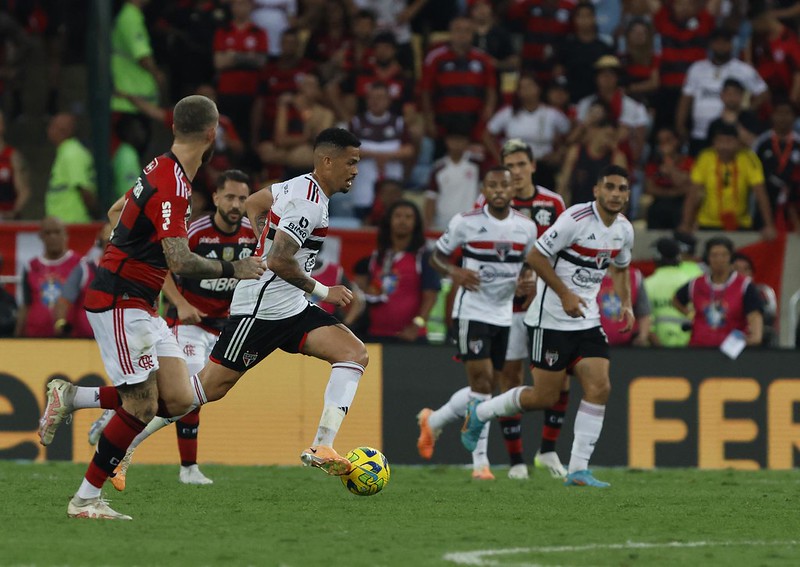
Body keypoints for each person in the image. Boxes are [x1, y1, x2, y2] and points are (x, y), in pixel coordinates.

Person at [36, 95, 265, 520]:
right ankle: (85, 500)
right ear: (212, 134)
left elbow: (115, 210)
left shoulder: (160, 167)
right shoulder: (174, 185)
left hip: (141, 300)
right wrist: (236, 267)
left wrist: (126, 238)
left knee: (178, 400)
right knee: (141, 405)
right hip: (121, 298)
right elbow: (179, 260)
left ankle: (71, 396)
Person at [103, 128, 368, 484]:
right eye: (351, 162)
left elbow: (254, 203)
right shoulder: (308, 202)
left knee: (354, 353)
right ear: (327, 161)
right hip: (260, 310)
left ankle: (322, 446)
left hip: (290, 306)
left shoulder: (299, 185)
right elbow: (278, 261)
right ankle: (122, 449)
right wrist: (324, 291)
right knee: (202, 392)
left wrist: (261, 242)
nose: (355, 170)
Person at [460, 164, 635, 489]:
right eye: (609, 187)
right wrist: (565, 293)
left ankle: (578, 470)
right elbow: (537, 256)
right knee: (544, 396)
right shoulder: (575, 219)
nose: (615, 194)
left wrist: (625, 303)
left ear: (627, 194)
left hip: (587, 320)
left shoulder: (624, 229)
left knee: (601, 387)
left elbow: (621, 267)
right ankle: (480, 413)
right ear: (597, 190)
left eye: (622, 189)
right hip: (549, 319)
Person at [94, 170, 259, 488]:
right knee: (190, 388)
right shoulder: (196, 231)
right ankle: (141, 451)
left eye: (242, 198)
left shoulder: (251, 235)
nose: (236, 204)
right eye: (230, 197)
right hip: (188, 324)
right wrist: (181, 303)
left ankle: (121, 411)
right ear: (215, 198)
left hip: (225, 327)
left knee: (196, 395)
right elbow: (164, 266)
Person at [416, 166, 539, 480]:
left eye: (504, 185)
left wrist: (528, 280)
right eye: (492, 185)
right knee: (483, 382)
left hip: (503, 313)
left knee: (483, 388)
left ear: (514, 189)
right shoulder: (465, 223)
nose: (498, 191)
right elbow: (435, 257)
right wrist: (455, 273)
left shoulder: (526, 228)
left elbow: (530, 265)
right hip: (471, 311)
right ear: (483, 189)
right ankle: (480, 464)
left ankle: (435, 421)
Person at [354, 200, 440, 342]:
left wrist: (416, 325)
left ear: (416, 223)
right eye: (398, 216)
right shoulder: (376, 257)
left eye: (408, 217)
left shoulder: (423, 257)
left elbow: (430, 297)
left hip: (411, 337)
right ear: (389, 221)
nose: (403, 221)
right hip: (375, 334)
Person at [676, 27, 768, 156]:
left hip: (730, 136)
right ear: (711, 44)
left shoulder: (744, 69)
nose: (721, 46)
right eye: (717, 42)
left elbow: (763, 93)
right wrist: (680, 125)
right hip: (699, 133)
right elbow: (686, 98)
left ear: (731, 44)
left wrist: (744, 112)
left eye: (725, 42)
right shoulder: (697, 68)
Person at [679, 123, 776, 239]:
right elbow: (693, 193)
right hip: (708, 223)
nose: (725, 146)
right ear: (714, 143)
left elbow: (761, 194)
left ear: (738, 143)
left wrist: (769, 225)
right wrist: (686, 224)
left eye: (729, 141)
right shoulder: (705, 158)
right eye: (721, 141)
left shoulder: (748, 158)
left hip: (740, 224)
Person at [673, 236, 764, 348]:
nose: (719, 260)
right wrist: (690, 314)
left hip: (728, 351)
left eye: (724, 255)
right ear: (708, 258)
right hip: (699, 348)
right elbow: (676, 300)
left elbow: (755, 317)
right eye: (714, 255)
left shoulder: (744, 286)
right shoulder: (696, 284)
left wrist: (752, 339)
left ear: (730, 257)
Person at [13, 217, 82, 338]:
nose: (53, 237)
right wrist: (17, 335)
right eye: (48, 233)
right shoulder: (30, 266)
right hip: (35, 337)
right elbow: (25, 304)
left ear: (66, 234)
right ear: (40, 236)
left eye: (57, 232)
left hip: (72, 339)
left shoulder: (80, 264)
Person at [424, 125, 481, 230]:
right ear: (447, 141)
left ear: (467, 142)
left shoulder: (477, 165)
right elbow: (431, 197)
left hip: (471, 224)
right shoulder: (438, 167)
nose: (457, 144)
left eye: (461, 140)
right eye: (454, 140)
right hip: (443, 224)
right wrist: (428, 223)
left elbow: (485, 192)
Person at [45, 113, 98, 223]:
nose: (49, 130)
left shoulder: (72, 153)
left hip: (73, 224)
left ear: (65, 131)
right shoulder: (65, 151)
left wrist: (97, 216)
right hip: (64, 224)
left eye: (53, 126)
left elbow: (85, 191)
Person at [644, 237, 695, 347]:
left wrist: (658, 346)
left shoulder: (647, 284)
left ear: (656, 257)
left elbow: (646, 321)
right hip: (690, 346)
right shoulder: (691, 282)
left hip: (658, 347)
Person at [644, 127, 693, 230]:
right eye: (660, 141)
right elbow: (650, 188)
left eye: (668, 140)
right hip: (659, 203)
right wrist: (672, 193)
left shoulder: (688, 162)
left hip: (681, 204)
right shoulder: (652, 164)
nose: (664, 144)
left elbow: (687, 187)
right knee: (655, 210)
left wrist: (670, 168)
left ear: (677, 141)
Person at [732, 252, 778, 347]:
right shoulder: (717, 295)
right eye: (736, 269)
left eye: (746, 269)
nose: (741, 273)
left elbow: (768, 322)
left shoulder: (762, 294)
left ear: (752, 275)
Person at [598, 267, 650, 346]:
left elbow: (643, 312)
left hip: (627, 345)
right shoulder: (591, 275)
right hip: (596, 343)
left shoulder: (635, 276)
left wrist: (642, 336)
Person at [0, 109, 31, 220]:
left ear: (2, 126)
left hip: (6, 218)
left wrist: (13, 212)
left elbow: (24, 190)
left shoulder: (12, 156)